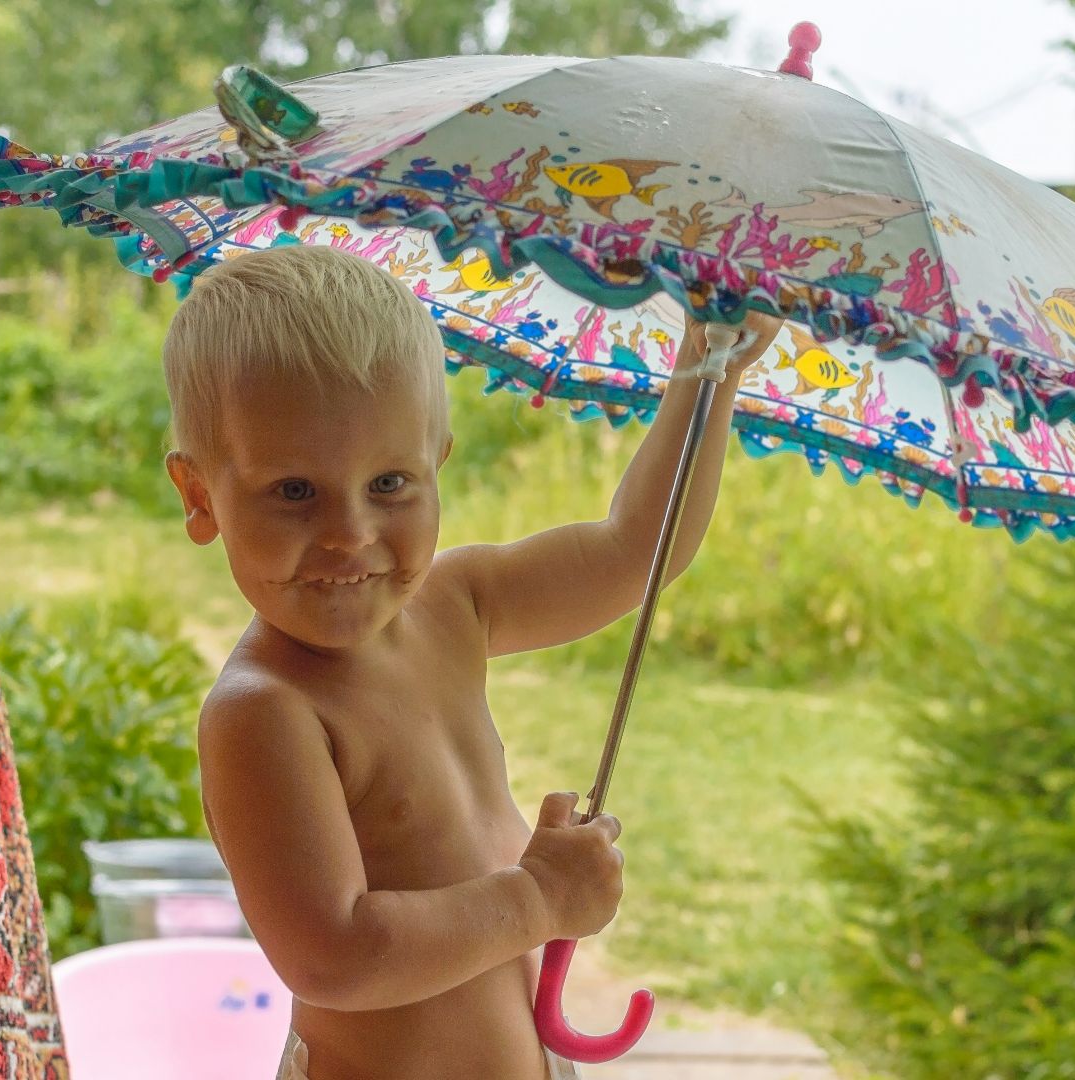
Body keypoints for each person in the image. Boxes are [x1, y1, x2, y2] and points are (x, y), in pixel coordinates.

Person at [160, 244, 779, 1080]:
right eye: (295, 491)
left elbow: (636, 550)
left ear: (437, 463)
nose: (350, 534)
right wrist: (538, 900)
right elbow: (333, 958)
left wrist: (710, 374)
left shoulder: (457, 604)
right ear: (201, 496)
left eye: (388, 484)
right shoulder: (266, 712)